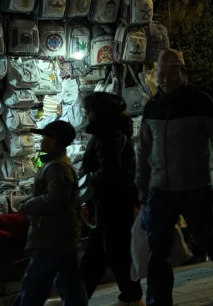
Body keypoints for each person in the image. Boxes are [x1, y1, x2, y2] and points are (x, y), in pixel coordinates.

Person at [136, 49, 213, 306]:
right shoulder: (152, 106)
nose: (163, 78)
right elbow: (143, 150)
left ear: (182, 73)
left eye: (170, 73)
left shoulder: (200, 101)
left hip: (194, 186)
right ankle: (158, 302)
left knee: (206, 238)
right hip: (160, 190)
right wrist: (141, 187)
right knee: (158, 250)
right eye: (160, 73)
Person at [13, 120, 87, 306]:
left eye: (45, 137)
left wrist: (27, 205)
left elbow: (55, 198)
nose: (41, 141)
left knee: (34, 284)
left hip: (52, 235)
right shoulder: (56, 164)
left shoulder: (57, 167)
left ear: (54, 141)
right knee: (69, 282)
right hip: (60, 233)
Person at [79, 93, 142, 305]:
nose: (86, 114)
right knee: (100, 256)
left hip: (111, 203)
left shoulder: (107, 136)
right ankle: (78, 297)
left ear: (99, 112)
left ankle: (132, 297)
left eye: (89, 110)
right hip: (112, 203)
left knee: (114, 254)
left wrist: (86, 182)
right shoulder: (112, 133)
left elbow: (109, 171)